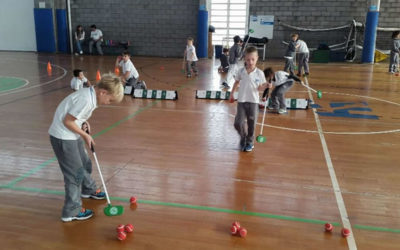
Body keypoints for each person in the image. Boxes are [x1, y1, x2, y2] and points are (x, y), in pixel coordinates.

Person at [48, 73, 124, 222]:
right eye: (110, 99)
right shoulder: (86, 100)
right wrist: (85, 135)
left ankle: (88, 189)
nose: (109, 103)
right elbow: (68, 121)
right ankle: (71, 210)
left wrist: (83, 122)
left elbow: (75, 117)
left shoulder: (91, 95)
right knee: (74, 174)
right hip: (63, 137)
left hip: (70, 134)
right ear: (103, 92)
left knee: (84, 163)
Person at [229, 46, 269, 152]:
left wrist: (266, 86)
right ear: (244, 59)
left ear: (257, 58)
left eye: (253, 59)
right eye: (247, 59)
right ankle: (243, 137)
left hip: (253, 102)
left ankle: (250, 142)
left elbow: (260, 87)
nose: (250, 62)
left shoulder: (260, 73)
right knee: (238, 123)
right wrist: (232, 93)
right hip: (241, 101)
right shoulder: (241, 71)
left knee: (252, 123)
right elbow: (236, 82)